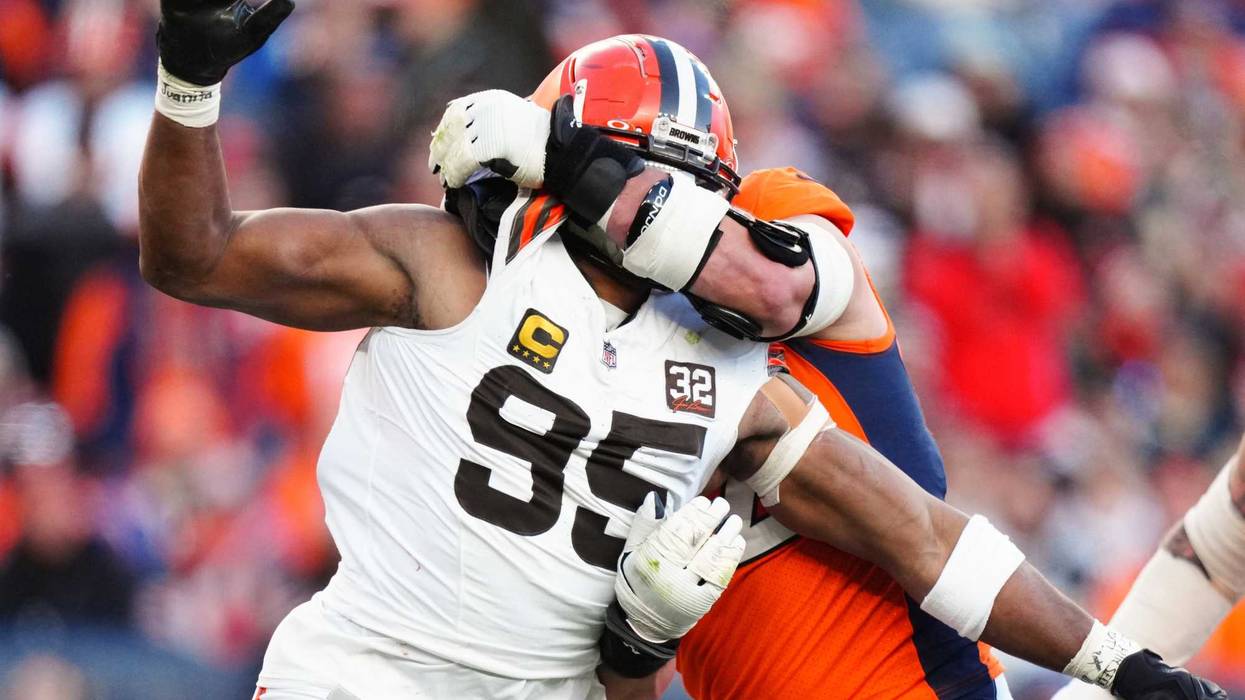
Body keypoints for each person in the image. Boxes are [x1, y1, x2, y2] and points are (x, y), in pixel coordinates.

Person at [143, 4, 1220, 699]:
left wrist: (1115, 664)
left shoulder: (762, 336)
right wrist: (189, 83)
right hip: (359, 676)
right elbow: (194, 257)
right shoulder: (445, 265)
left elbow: (929, 540)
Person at [1055, 434, 1245, 698]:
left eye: (1187, 485)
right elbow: (1097, 672)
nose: (1176, 499)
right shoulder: (1122, 581)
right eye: (1167, 488)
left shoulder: (1235, 592)